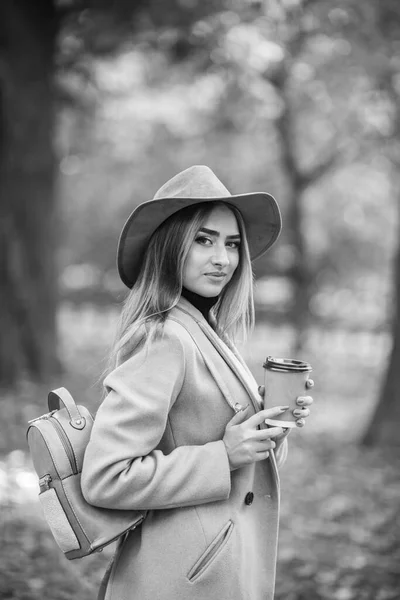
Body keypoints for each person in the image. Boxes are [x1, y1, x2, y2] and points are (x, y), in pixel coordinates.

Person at [81, 165, 314, 600]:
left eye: (232, 244)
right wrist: (223, 454)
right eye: (203, 240)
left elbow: (241, 462)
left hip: (221, 569)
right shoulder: (165, 338)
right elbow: (106, 477)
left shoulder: (206, 329)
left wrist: (268, 429)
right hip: (178, 578)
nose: (222, 258)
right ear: (171, 247)